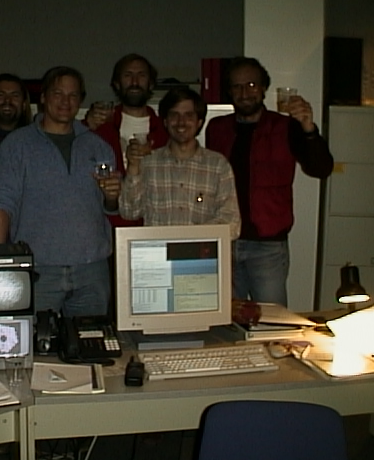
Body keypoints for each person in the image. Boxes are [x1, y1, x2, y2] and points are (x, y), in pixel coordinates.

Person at [0, 66, 120, 317]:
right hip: (38, 270)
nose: (65, 101)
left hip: (92, 271)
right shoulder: (16, 145)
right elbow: (1, 203)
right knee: (35, 340)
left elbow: (109, 207)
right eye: (58, 93)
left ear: (80, 100)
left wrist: (112, 198)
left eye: (73, 95)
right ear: (44, 97)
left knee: (91, 339)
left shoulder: (98, 146)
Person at [206, 57, 334, 306]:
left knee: (273, 321)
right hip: (224, 242)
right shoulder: (217, 128)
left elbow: (321, 168)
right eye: (237, 86)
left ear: (264, 88)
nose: (244, 93)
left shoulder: (286, 126)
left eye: (251, 85)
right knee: (226, 319)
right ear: (229, 91)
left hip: (268, 247)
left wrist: (309, 128)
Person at [120, 88, 240, 238]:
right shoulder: (147, 163)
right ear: (165, 121)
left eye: (188, 115)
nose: (181, 122)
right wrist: (133, 167)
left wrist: (189, 240)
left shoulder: (218, 166)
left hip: (201, 251)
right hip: (158, 250)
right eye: (174, 115)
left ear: (199, 122)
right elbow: (129, 212)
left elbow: (231, 223)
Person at [85, 53, 170, 227]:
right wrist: (86, 124)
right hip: (107, 229)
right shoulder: (99, 128)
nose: (134, 82)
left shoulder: (167, 131)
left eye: (141, 75)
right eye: (128, 75)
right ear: (116, 84)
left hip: (155, 227)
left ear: (151, 83)